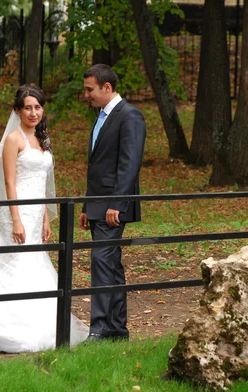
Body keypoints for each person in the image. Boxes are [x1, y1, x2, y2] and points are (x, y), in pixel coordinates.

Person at [0, 84, 88, 353]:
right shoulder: (13, 140)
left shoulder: (42, 140)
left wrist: (45, 218)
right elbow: (10, 183)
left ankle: (39, 324)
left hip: (36, 214)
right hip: (17, 212)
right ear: (18, 111)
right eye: (28, 108)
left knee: (35, 261)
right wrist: (17, 218)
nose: (33, 112)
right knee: (15, 260)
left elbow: (42, 184)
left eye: (38, 107)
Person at [79, 64, 146, 342]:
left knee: (101, 261)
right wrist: (87, 206)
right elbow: (98, 166)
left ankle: (101, 329)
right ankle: (117, 330)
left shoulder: (130, 116)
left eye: (90, 89)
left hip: (113, 206)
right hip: (99, 204)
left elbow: (129, 164)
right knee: (111, 266)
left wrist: (116, 204)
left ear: (107, 88)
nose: (86, 95)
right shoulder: (102, 116)